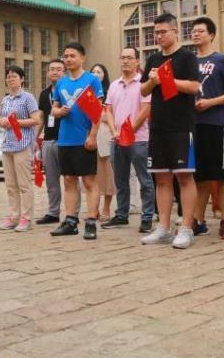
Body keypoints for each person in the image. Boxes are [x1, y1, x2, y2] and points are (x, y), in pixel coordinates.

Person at [140, 12, 201, 249]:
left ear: (176, 31)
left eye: (163, 31)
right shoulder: (153, 59)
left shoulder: (187, 57)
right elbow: (143, 91)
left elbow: (194, 87)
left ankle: (186, 227)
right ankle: (164, 228)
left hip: (181, 126)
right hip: (158, 126)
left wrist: (167, 79)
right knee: (161, 178)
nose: (159, 36)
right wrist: (153, 81)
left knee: (184, 176)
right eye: (155, 32)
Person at [189, 17, 224, 240]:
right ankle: (198, 221)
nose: (195, 34)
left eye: (200, 31)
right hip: (194, 125)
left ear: (211, 35)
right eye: (193, 31)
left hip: (216, 123)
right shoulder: (189, 61)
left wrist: (210, 102)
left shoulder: (222, 60)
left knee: (222, 175)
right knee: (199, 176)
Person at [49, 43, 105, 240]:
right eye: (66, 56)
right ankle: (70, 221)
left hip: (84, 139)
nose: (68, 59)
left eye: (72, 56)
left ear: (82, 58)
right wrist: (59, 111)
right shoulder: (61, 83)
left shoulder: (92, 80)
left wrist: (92, 135)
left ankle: (91, 222)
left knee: (89, 181)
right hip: (65, 139)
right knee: (69, 180)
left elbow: (98, 111)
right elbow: (54, 108)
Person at [102, 46, 155, 232]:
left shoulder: (144, 84)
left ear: (137, 61)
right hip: (116, 140)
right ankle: (121, 215)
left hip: (139, 140)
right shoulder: (114, 85)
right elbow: (108, 110)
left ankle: (147, 217)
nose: (125, 61)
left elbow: (145, 110)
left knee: (145, 180)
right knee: (120, 180)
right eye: (122, 57)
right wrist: (114, 130)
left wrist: (128, 131)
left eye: (129, 57)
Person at [0, 66, 42, 231]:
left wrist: (15, 123)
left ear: (22, 79)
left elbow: (36, 120)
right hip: (7, 145)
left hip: (22, 145)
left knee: (24, 184)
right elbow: (2, 118)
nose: (10, 79)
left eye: (14, 76)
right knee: (11, 185)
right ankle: (14, 216)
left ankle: (26, 218)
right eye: (8, 76)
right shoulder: (5, 100)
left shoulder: (28, 98)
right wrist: (2, 121)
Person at [36, 59, 78, 224]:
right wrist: (35, 138)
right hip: (48, 140)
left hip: (66, 140)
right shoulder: (44, 94)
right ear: (48, 73)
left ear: (64, 72)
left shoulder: (70, 90)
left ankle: (72, 214)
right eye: (52, 69)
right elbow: (41, 118)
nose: (55, 72)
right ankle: (53, 212)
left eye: (59, 69)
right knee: (51, 180)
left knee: (70, 179)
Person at [90, 63, 116, 222]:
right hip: (89, 138)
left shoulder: (110, 93)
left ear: (104, 75)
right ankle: (94, 208)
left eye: (99, 71)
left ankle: (106, 208)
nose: (95, 74)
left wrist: (100, 115)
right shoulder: (86, 93)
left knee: (107, 176)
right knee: (92, 176)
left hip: (105, 137)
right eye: (93, 71)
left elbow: (112, 115)